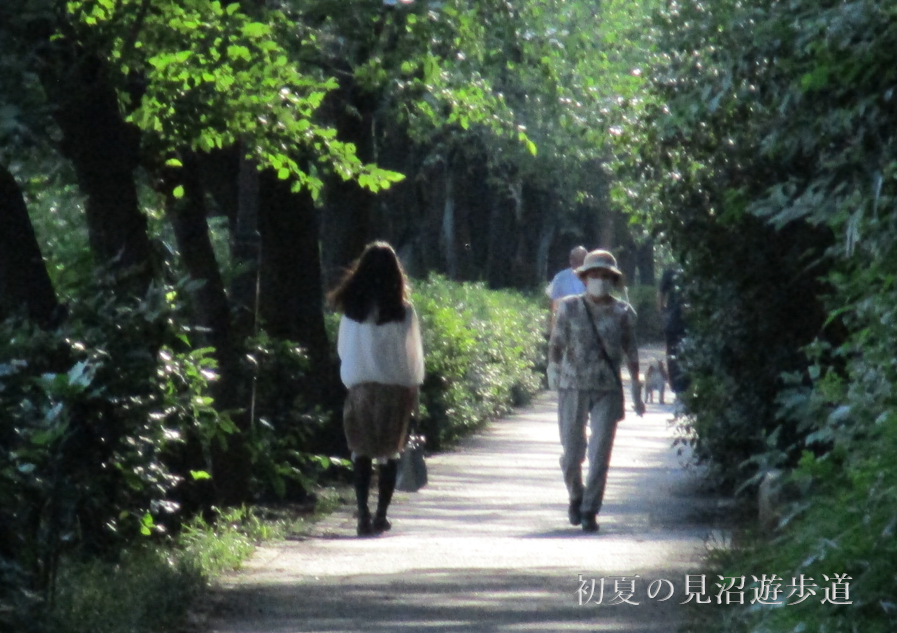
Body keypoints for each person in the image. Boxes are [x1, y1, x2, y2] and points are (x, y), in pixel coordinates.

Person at [329, 241, 425, 537]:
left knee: (360, 452)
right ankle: (381, 514)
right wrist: (414, 389)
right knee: (388, 454)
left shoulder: (352, 312)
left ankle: (362, 513)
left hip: (360, 390)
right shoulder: (404, 312)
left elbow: (343, 350)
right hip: (394, 391)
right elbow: (413, 356)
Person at [547, 249, 645, 533]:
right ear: (585, 278)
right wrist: (552, 367)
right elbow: (556, 342)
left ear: (612, 280)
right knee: (571, 453)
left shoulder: (623, 312)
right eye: (594, 275)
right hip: (573, 385)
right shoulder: (569, 307)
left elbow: (632, 351)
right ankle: (576, 494)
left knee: (600, 454)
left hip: (607, 389)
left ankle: (590, 509)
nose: (599, 280)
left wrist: (637, 387)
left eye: (605, 276)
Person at [657, 267, 687, 394]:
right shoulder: (696, 269)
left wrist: (663, 311)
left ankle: (677, 387)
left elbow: (660, 294)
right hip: (690, 321)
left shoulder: (671, 270)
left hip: (673, 320)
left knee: (672, 354)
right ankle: (686, 386)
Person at [546, 246, 588, 332]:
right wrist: (552, 327)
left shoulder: (592, 277)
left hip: (587, 323)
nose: (578, 262)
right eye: (576, 259)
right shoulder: (561, 277)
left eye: (582, 259)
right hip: (565, 322)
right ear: (571, 260)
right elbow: (554, 303)